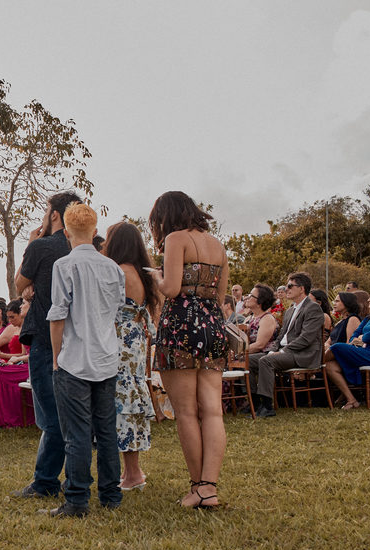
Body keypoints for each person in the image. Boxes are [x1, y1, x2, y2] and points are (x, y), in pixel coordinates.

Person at [40, 204, 125, 517]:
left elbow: (58, 314)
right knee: (106, 433)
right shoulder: (113, 268)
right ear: (94, 231)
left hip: (74, 359)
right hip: (105, 356)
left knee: (75, 435)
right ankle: (111, 496)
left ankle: (76, 500)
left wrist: (55, 357)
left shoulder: (65, 265)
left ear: (66, 233)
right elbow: (115, 312)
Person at [150, 191, 228, 510]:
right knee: (212, 409)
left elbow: (170, 288)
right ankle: (209, 486)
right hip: (213, 324)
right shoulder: (218, 245)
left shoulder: (175, 239)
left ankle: (200, 488)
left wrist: (153, 273)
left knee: (185, 411)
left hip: (181, 323)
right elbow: (221, 297)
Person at [11, 190, 80, 500]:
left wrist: (31, 241)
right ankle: (71, 477)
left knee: (50, 414)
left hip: (45, 336)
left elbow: (19, 284)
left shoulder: (42, 246)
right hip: (81, 337)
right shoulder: (85, 248)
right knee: (74, 410)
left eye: (46, 209)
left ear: (55, 214)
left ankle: (45, 481)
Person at [103, 221, 159, 493]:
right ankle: (130, 470)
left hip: (119, 341)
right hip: (135, 339)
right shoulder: (140, 273)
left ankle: (133, 472)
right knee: (130, 399)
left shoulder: (119, 272)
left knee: (121, 401)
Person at [248, 272, 324, 418]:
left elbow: (306, 339)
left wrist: (282, 352)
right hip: (286, 352)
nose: (286, 289)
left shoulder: (313, 308)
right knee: (248, 360)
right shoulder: (289, 311)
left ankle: (267, 406)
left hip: (303, 354)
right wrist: (273, 350)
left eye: (290, 286)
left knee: (266, 361)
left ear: (301, 289)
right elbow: (281, 337)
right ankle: (254, 402)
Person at [325, 285, 370, 409]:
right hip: (367, 351)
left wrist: (362, 338)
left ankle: (314, 366)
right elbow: (356, 335)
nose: (369, 300)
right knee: (329, 365)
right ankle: (352, 400)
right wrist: (361, 338)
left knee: (337, 347)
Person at [0, 299, 35, 429]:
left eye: (13, 317)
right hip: (22, 363)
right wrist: (9, 360)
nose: (10, 321)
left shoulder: (30, 327)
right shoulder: (19, 327)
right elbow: (22, 354)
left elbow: (31, 355)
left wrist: (13, 359)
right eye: (9, 317)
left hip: (30, 366)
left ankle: (5, 417)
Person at [240, 284, 279, 355]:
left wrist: (240, 352)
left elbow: (260, 345)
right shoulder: (248, 318)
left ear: (260, 302)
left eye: (251, 296)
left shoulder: (267, 319)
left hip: (264, 355)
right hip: (248, 353)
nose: (246, 298)